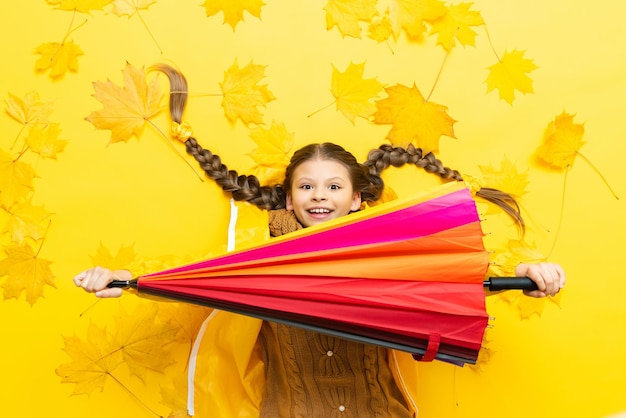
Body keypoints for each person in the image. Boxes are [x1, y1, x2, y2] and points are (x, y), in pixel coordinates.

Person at [74, 65, 566, 417]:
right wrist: (122, 279)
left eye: (333, 187)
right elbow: (192, 270)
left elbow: (456, 274)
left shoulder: (390, 253)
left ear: (356, 200)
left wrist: (527, 273)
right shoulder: (257, 258)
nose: (319, 197)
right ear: (289, 198)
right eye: (306, 186)